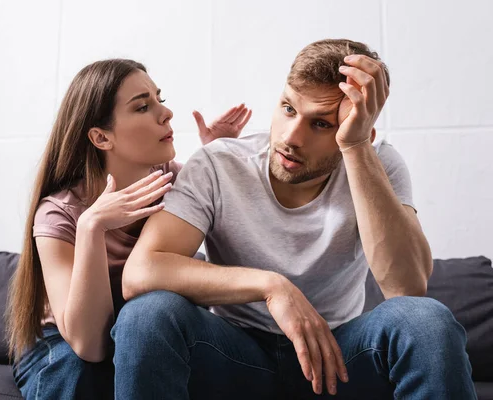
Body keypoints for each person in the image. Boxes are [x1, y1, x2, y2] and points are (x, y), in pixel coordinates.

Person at [113, 39, 477, 399]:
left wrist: (356, 146)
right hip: (234, 354)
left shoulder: (376, 162)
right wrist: (272, 287)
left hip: (338, 356)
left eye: (321, 124)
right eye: (288, 108)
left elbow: (407, 288)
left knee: (426, 322)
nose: (291, 138)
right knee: (147, 314)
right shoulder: (219, 163)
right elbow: (140, 272)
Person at [5, 58, 252, 399]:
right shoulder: (59, 214)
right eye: (142, 107)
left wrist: (215, 158)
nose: (166, 114)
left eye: (159, 99)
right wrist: (92, 226)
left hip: (141, 335)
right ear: (101, 137)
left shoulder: (176, 182)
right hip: (64, 343)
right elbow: (89, 345)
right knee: (81, 373)